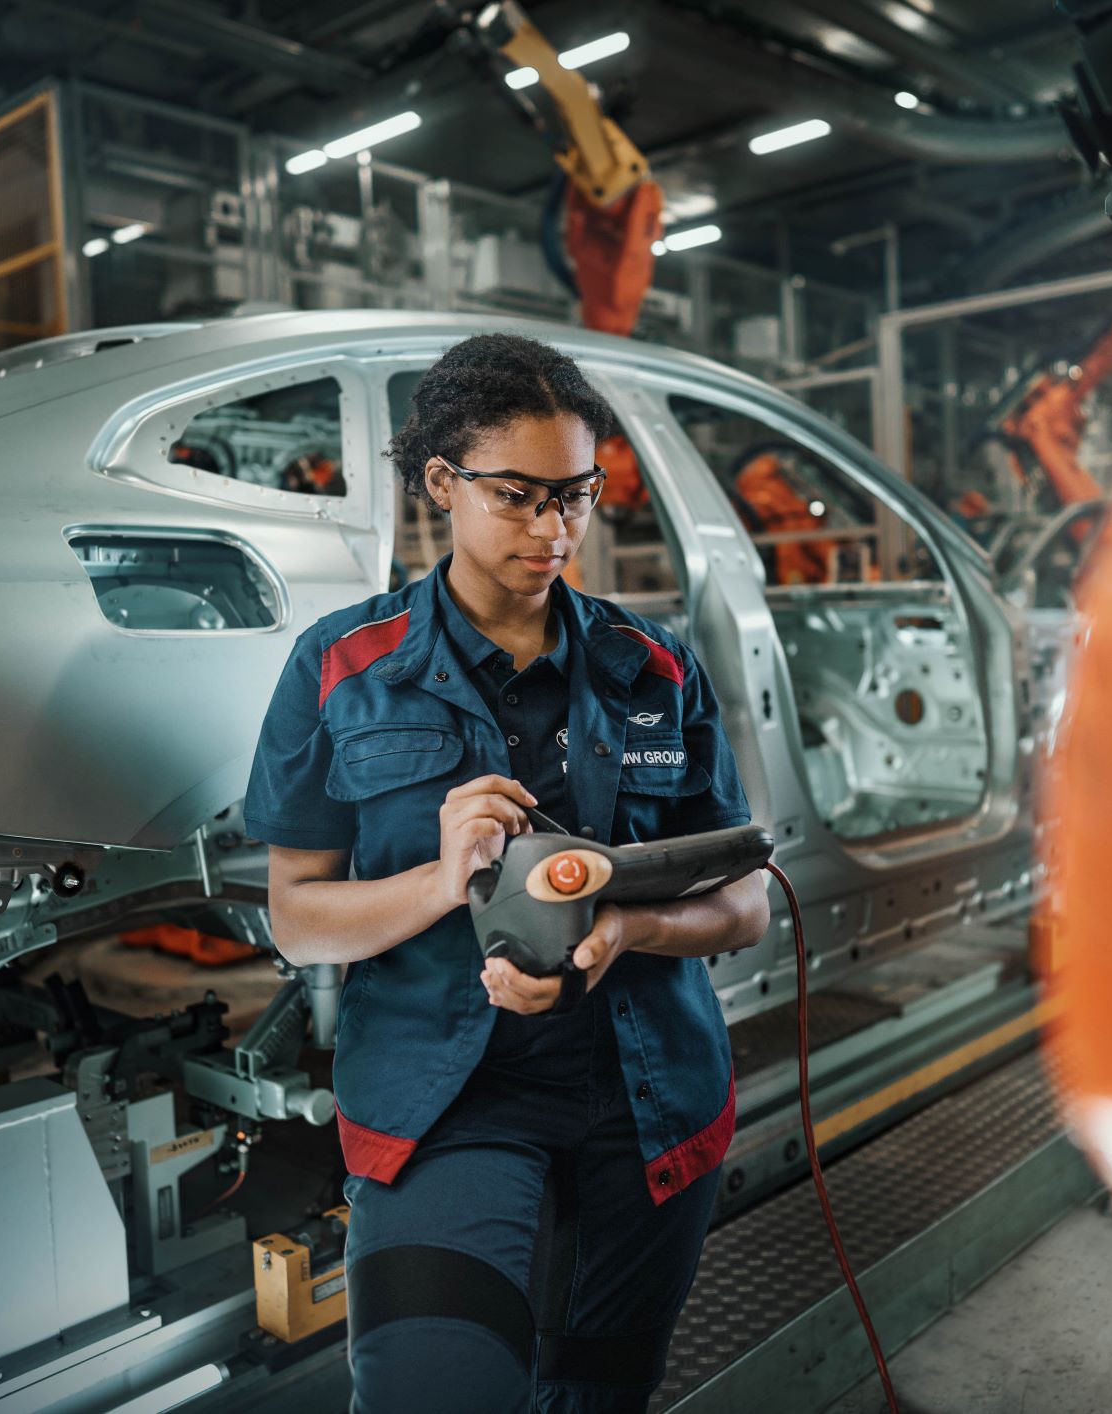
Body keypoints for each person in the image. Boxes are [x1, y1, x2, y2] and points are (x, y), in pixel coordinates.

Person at [244, 332, 769, 1412]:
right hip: (449, 1100)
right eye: (519, 495)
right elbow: (297, 918)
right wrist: (441, 881)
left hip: (645, 1095)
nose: (554, 528)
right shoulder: (343, 668)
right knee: (432, 1389)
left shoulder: (654, 664)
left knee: (599, 1392)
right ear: (442, 481)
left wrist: (628, 929)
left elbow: (745, 900)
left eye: (576, 495)